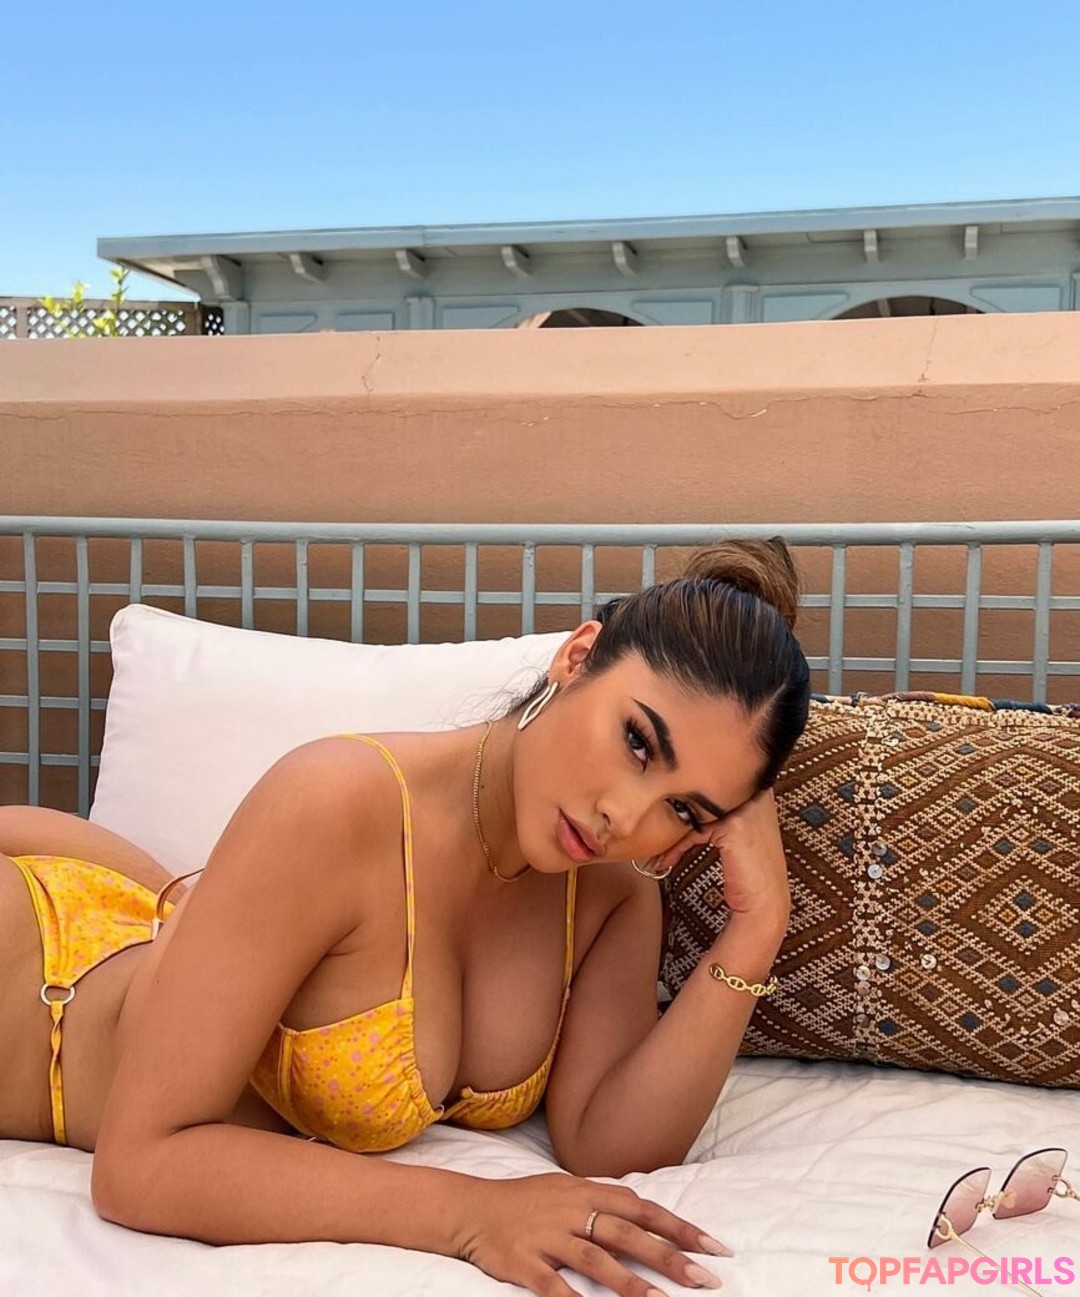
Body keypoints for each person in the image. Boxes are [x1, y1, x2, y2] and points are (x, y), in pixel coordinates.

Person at [0, 537, 810, 1297]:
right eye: (636, 741)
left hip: (141, 925)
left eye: (683, 808)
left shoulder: (610, 891)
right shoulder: (336, 799)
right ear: (577, 657)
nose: (623, 817)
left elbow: (611, 1143)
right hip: (34, 977)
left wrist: (759, 923)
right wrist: (471, 1212)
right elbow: (139, 1165)